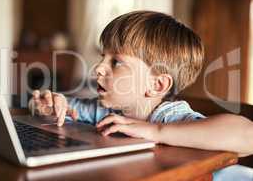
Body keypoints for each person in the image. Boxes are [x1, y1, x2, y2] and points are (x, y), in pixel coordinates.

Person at [29, 11, 253, 180]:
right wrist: (50, 106)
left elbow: (247, 136)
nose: (98, 68)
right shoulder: (105, 110)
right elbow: (67, 110)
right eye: (102, 57)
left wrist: (155, 131)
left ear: (157, 85)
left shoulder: (170, 117)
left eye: (116, 62)